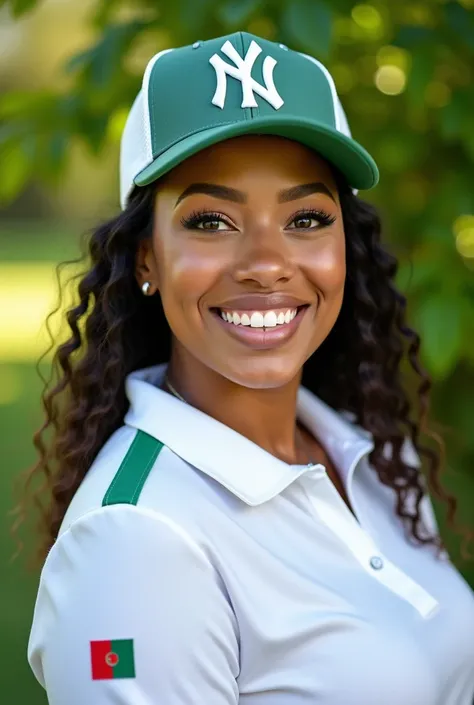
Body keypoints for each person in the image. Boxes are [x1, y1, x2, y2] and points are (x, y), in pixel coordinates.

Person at [24, 31, 474, 705]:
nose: (267, 261)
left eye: (306, 217)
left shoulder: (372, 450)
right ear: (146, 257)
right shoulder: (136, 541)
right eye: (211, 221)